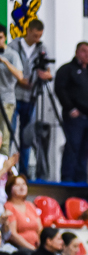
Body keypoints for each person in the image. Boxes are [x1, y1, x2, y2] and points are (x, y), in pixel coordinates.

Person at [54, 42, 88, 183]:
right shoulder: (67, 69)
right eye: (83, 51)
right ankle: (68, 178)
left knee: (86, 148)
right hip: (75, 117)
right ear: (77, 52)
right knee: (73, 146)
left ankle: (81, 179)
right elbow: (60, 89)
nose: (87, 54)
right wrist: (70, 108)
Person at [9, 19, 52, 177]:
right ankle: (6, 167)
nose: (37, 39)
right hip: (14, 96)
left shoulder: (42, 49)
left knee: (27, 136)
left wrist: (46, 75)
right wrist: (20, 80)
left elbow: (47, 70)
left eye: (39, 36)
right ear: (28, 31)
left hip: (32, 98)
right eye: (35, 35)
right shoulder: (14, 46)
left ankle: (24, 172)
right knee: (10, 132)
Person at [0, 24, 23, 158]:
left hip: (6, 100)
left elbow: (20, 76)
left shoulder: (12, 55)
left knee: (4, 136)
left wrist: (5, 62)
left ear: (5, 38)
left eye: (0, 38)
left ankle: (3, 165)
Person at [4, 175, 41, 252]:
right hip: (19, 248)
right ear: (10, 189)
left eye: (24, 184)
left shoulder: (30, 205)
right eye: (17, 185)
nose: (22, 187)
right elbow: (12, 234)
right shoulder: (8, 207)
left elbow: (40, 229)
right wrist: (32, 249)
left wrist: (40, 246)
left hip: (36, 246)